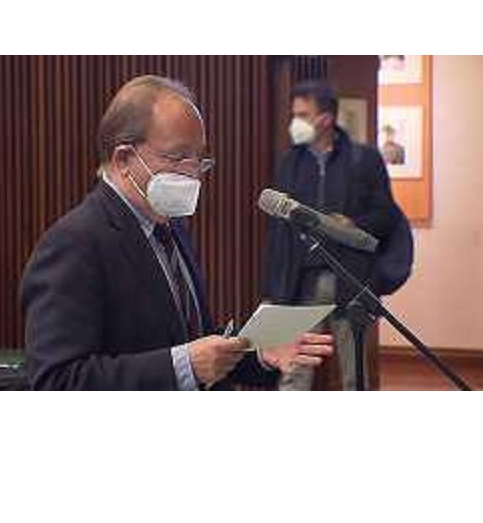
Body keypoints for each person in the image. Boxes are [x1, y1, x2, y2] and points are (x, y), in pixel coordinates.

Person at [22, 75, 333, 391]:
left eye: (199, 160)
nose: (193, 174)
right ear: (124, 159)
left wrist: (259, 353)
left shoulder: (171, 227)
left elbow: (192, 339)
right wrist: (184, 366)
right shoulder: (75, 242)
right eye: (177, 157)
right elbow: (56, 381)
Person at [263, 81, 400, 391]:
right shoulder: (290, 162)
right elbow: (278, 231)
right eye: (294, 114)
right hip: (300, 282)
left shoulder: (364, 159)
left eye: (302, 115)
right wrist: (271, 290)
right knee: (294, 372)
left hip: (350, 279)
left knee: (355, 374)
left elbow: (386, 215)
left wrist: (353, 223)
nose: (294, 122)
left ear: (325, 118)